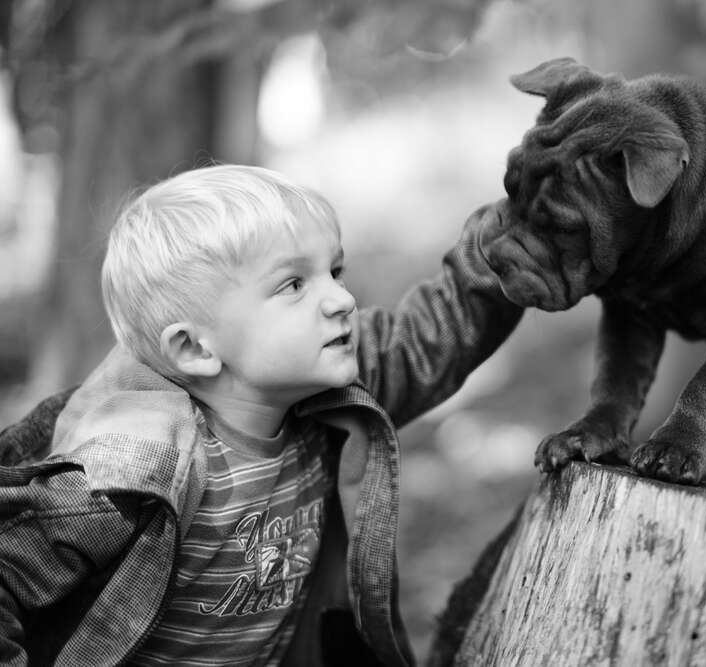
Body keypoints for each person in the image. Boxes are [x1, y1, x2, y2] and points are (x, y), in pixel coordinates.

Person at [0, 164, 523, 666]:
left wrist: (517, 230)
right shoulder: (123, 475)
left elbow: (432, 335)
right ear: (194, 348)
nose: (341, 299)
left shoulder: (318, 391)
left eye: (334, 271)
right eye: (293, 285)